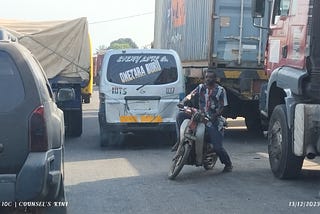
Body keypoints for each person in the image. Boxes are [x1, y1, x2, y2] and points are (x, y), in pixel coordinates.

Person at [172, 69, 233, 172]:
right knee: (180, 116)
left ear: (215, 79)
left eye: (210, 77)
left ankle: (228, 164)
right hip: (200, 115)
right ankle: (179, 140)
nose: (208, 79)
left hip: (213, 120)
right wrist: (183, 101)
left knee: (217, 147)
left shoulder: (220, 90)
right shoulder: (201, 87)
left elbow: (223, 107)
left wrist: (214, 115)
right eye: (206, 77)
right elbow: (191, 95)